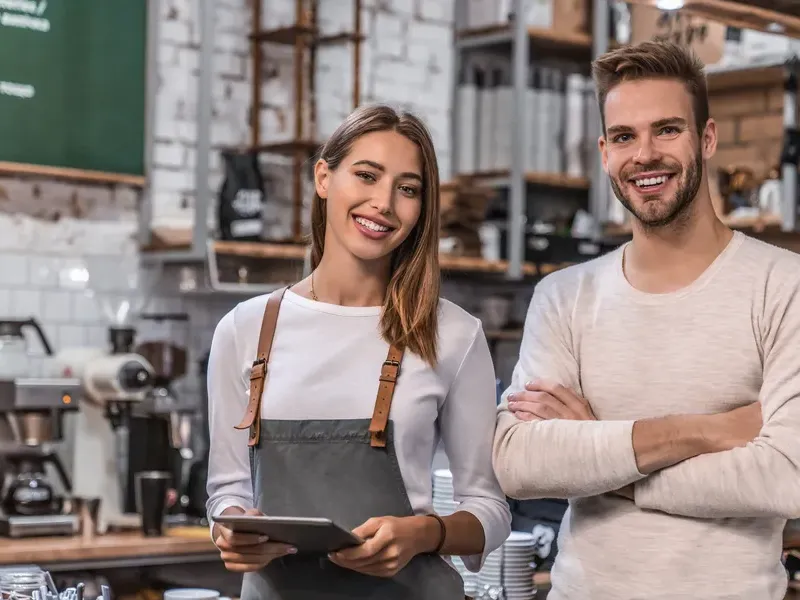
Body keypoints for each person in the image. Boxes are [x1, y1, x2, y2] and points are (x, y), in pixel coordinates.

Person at [492, 39, 800, 600]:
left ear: (706, 139)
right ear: (605, 152)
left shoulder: (784, 285)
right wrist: (708, 431)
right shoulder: (564, 296)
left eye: (667, 129)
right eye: (625, 137)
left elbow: (785, 475)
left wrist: (602, 460)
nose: (646, 154)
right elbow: (519, 462)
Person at [205, 103, 512, 600]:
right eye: (366, 176)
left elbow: (489, 511)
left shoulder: (453, 333)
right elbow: (228, 491)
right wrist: (231, 529)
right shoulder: (244, 329)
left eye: (407, 189)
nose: (383, 203)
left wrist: (424, 533)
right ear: (324, 177)